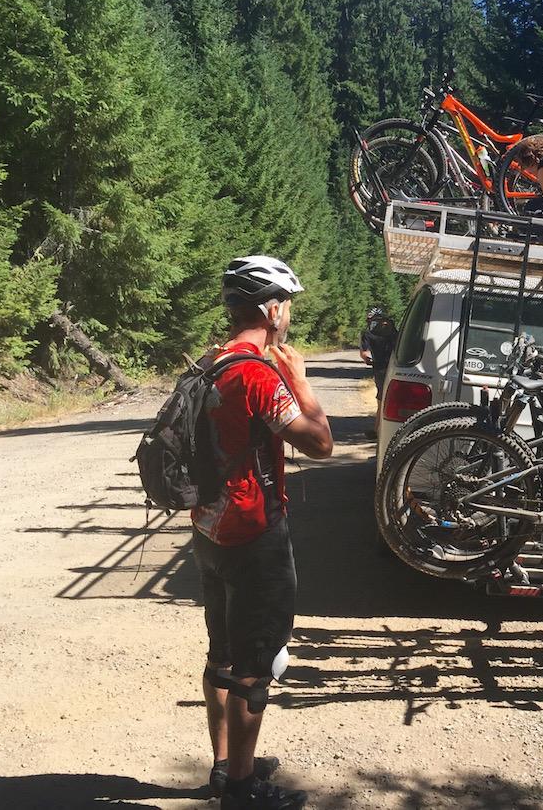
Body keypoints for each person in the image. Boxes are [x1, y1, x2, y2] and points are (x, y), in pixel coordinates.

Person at [193, 255, 333, 810]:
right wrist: (301, 383)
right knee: (255, 669)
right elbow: (320, 444)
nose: (289, 315)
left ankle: (224, 765)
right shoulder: (258, 374)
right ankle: (242, 790)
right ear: (272, 311)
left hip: (208, 529)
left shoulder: (211, 360)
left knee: (221, 655)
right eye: (288, 306)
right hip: (254, 534)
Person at [359, 306, 398, 406]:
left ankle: (380, 414)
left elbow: (364, 353)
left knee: (381, 394)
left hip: (380, 367)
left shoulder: (367, 334)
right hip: (397, 366)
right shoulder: (393, 332)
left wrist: (368, 359)